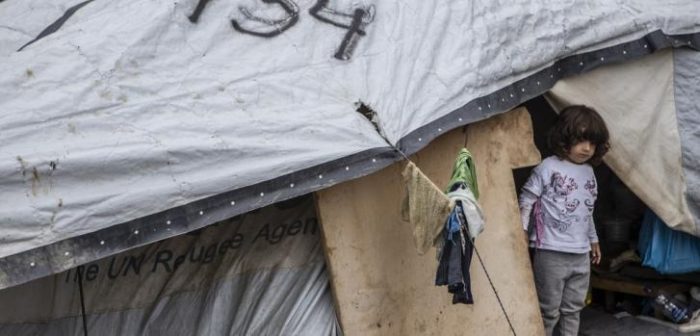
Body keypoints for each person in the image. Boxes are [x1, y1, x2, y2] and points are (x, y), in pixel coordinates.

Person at [519, 105, 610, 336]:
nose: (587, 148)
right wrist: (520, 231)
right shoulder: (548, 167)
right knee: (548, 311)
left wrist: (593, 239)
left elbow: (586, 210)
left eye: (592, 143)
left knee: (573, 309)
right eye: (580, 140)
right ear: (564, 138)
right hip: (551, 251)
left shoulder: (589, 172)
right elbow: (527, 198)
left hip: (580, 254)